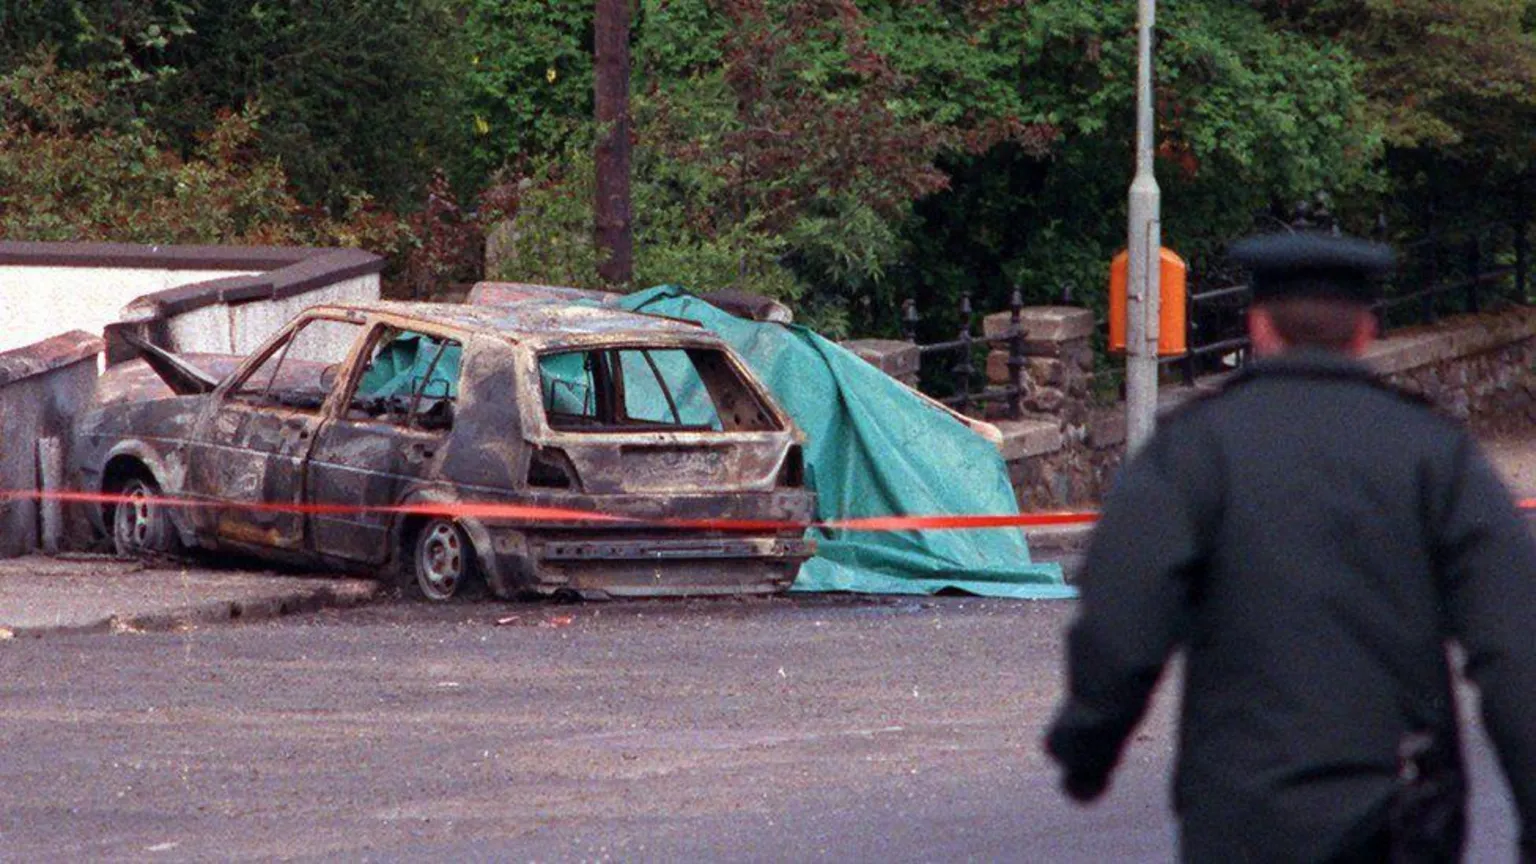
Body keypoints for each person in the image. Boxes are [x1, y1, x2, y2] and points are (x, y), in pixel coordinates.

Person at [1044, 231, 1536, 862]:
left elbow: (1123, 612)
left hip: (1243, 812)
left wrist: (1088, 745)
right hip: (1401, 808)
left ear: (1257, 327)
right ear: (1365, 331)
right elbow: (1515, 647)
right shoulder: (1435, 456)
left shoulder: (1196, 448)